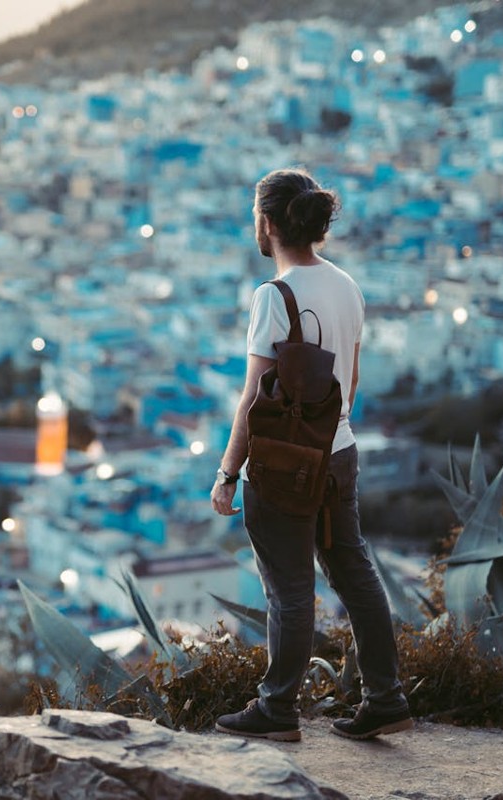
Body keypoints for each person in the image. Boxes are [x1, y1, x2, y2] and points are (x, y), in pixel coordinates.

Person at [211, 168, 411, 742]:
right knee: (354, 570)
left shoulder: (274, 296)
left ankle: (277, 710)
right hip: (339, 452)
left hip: (283, 465)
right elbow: (349, 381)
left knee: (290, 589)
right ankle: (386, 697)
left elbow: (254, 399)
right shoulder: (347, 286)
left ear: (267, 223)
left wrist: (227, 473)